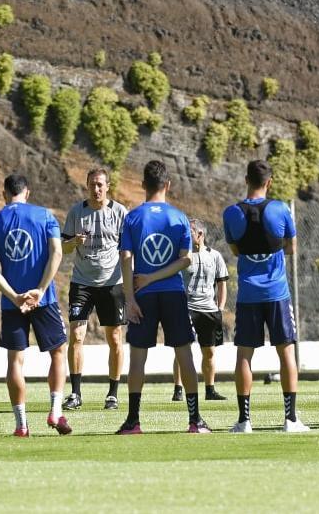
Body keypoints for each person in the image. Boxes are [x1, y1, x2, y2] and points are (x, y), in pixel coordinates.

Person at [116, 160, 210, 434]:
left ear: (143, 185)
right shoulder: (179, 218)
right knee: (184, 354)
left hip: (142, 296)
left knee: (137, 358)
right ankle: (195, 421)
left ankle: (133, 421)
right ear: (168, 185)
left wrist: (130, 297)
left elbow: (125, 258)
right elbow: (185, 261)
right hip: (173, 294)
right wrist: (158, 277)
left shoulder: (132, 217)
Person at [0, 174, 71, 437]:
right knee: (58, 351)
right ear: (27, 193)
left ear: (4, 194)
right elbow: (57, 252)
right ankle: (55, 411)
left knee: (15, 360)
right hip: (44, 299)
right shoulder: (45, 215)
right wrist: (41, 290)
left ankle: (21, 425)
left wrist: (13, 296)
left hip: (13, 303)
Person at [224, 160, 308, 433]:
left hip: (248, 293)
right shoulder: (280, 209)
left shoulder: (231, 213)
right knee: (286, 353)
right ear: (269, 182)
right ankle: (290, 420)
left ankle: (244, 421)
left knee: (244, 355)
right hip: (277, 292)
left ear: (245, 179)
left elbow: (236, 251)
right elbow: (291, 248)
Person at [60, 168, 128, 411]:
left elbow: (127, 250)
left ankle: (112, 394)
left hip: (112, 283)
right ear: (86, 186)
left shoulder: (119, 212)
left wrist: (131, 282)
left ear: (108, 186)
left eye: (100, 185)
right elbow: (64, 249)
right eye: (92, 185)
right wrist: (73, 242)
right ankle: (76, 393)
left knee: (115, 338)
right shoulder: (77, 212)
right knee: (77, 335)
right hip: (82, 282)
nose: (96, 189)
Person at [171, 218, 228, 402]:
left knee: (209, 351)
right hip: (186, 308)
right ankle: (178, 389)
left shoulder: (215, 256)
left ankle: (210, 389)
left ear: (200, 234)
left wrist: (219, 308)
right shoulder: (182, 256)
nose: (186, 237)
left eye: (191, 233)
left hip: (209, 310)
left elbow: (221, 284)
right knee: (183, 348)